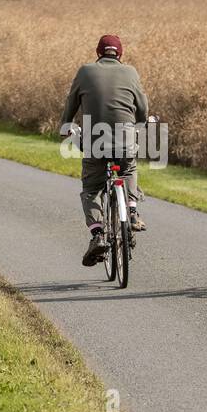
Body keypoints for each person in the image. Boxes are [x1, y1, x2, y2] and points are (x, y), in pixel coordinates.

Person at [60, 34, 149, 266]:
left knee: (91, 188)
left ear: (99, 53)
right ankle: (131, 211)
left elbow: (71, 103)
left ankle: (98, 234)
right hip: (125, 139)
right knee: (128, 169)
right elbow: (142, 107)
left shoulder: (85, 71)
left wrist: (66, 125)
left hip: (94, 141)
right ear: (120, 54)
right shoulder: (131, 72)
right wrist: (141, 122)